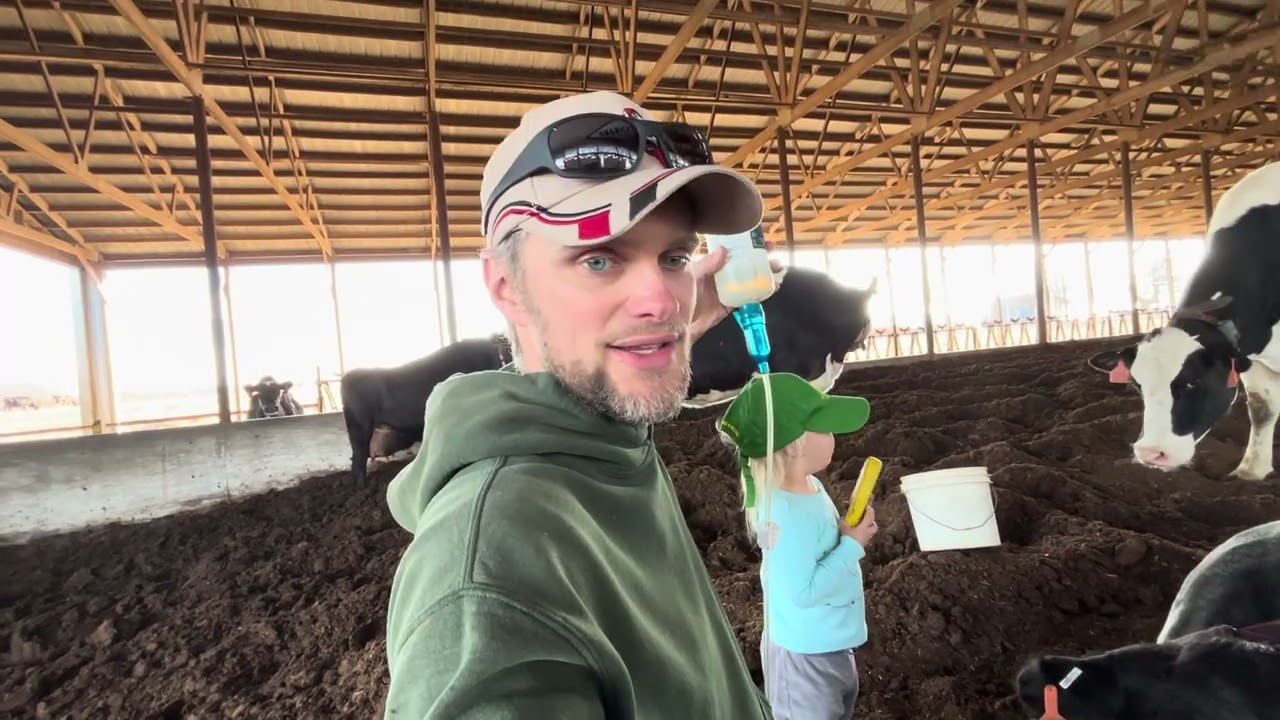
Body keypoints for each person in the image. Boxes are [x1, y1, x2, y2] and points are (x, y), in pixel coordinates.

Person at [382, 89, 783, 718]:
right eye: (598, 258)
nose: (664, 299)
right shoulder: (490, 575)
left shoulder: (602, 440)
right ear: (505, 286)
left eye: (674, 257)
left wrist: (651, 337)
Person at [715, 372, 880, 720]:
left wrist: (842, 530)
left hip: (827, 641)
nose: (834, 436)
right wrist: (851, 545)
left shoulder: (810, 487)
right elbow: (803, 592)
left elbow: (816, 545)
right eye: (824, 427)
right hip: (804, 656)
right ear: (795, 444)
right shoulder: (785, 513)